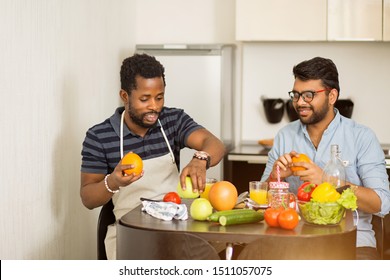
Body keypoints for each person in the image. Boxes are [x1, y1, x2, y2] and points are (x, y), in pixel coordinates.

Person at [80, 53, 225, 259]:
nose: (154, 107)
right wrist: (113, 181)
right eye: (144, 99)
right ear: (125, 96)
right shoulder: (100, 136)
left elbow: (214, 144)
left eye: (159, 97)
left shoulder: (172, 120)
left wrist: (201, 159)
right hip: (131, 235)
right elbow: (88, 197)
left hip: (176, 231)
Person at [261, 57, 390, 260]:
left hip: (354, 245)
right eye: (296, 95)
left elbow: (381, 204)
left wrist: (328, 181)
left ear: (332, 96)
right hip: (295, 243)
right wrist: (276, 178)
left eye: (309, 95)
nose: (300, 102)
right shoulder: (285, 136)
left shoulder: (362, 137)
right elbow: (261, 200)